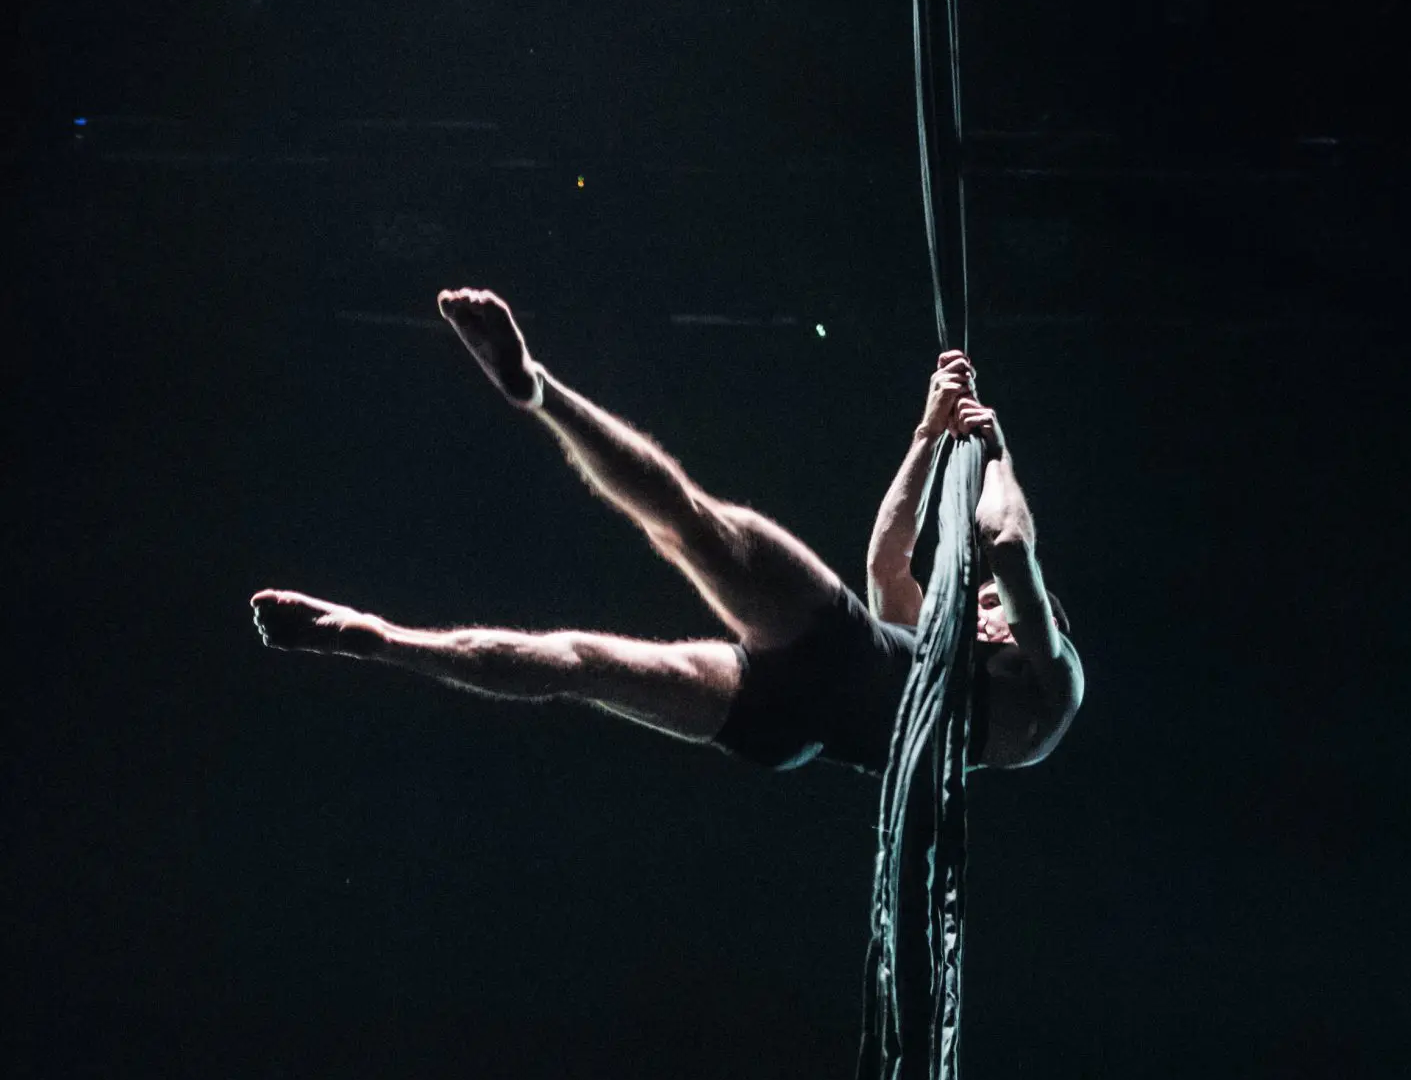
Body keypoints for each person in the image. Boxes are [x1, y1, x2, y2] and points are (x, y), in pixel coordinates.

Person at [251, 290, 1084, 775]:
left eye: (988, 608)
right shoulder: (937, 642)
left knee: (645, 575)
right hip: (811, 693)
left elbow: (1008, 551)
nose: (976, 612)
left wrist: (993, 445)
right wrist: (925, 435)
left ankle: (531, 399)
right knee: (640, 584)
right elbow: (885, 560)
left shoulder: (1049, 683)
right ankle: (382, 636)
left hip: (794, 706)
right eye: (974, 601)